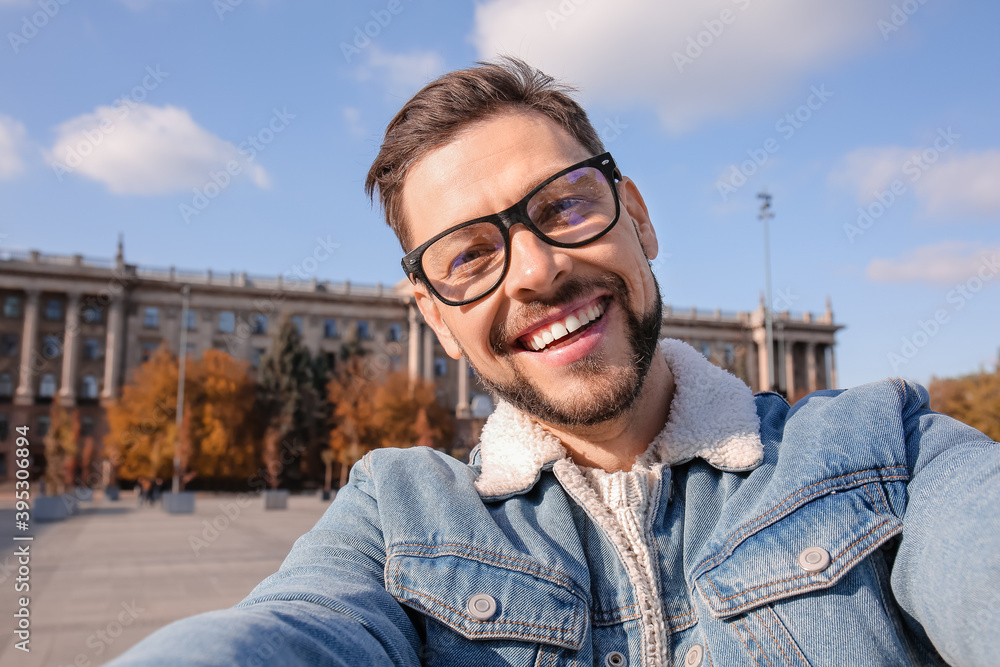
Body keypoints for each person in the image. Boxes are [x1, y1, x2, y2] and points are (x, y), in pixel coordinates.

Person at [111, 58, 999, 666]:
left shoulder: (888, 451)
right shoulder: (392, 516)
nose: (537, 271)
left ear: (638, 216)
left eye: (566, 205)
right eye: (469, 255)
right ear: (435, 320)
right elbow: (283, 634)